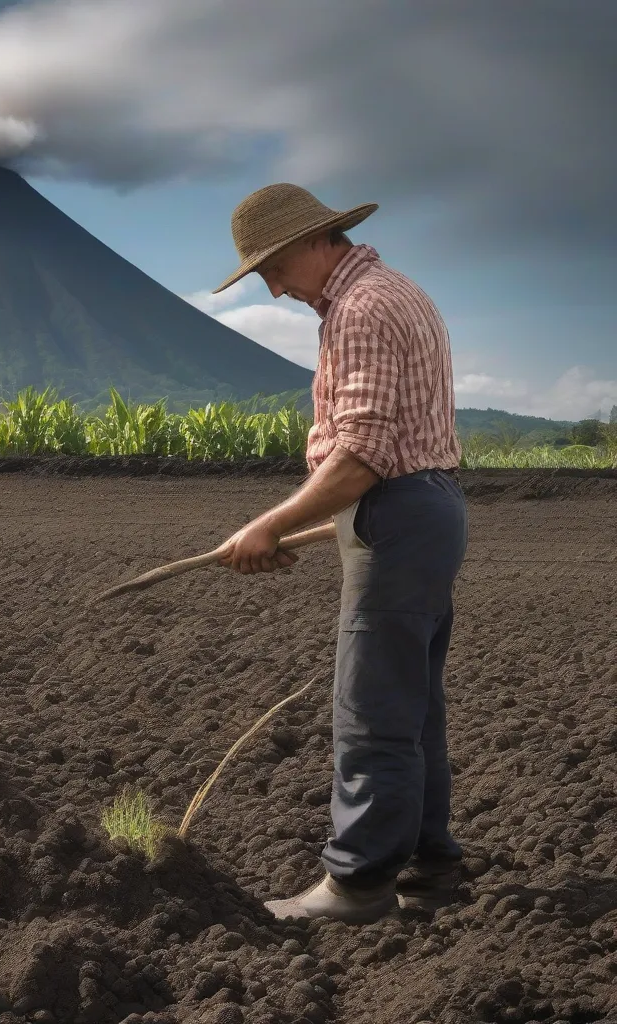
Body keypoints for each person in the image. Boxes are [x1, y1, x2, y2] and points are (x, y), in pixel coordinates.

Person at [211, 182, 468, 924]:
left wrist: (270, 523)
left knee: (372, 709)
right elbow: (395, 453)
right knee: (412, 705)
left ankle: (356, 884)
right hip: (422, 509)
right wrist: (328, 524)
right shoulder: (396, 293)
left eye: (272, 266)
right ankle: (432, 864)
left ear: (314, 243)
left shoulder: (359, 309)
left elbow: (362, 452)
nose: (272, 286)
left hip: (399, 510)